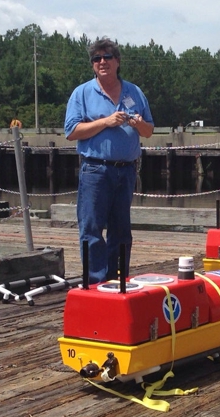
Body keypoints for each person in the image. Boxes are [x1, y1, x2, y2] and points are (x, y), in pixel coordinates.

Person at [64, 38, 154, 284]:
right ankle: (95, 283)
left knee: (122, 232)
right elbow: (71, 132)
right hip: (95, 170)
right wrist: (106, 121)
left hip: (126, 172)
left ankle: (119, 282)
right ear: (93, 65)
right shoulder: (82, 93)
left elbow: (148, 131)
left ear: (118, 61)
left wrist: (138, 123)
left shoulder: (134, 92)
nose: (102, 62)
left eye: (107, 57)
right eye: (97, 59)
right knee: (92, 230)